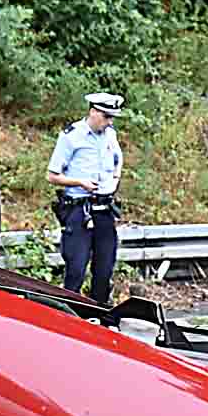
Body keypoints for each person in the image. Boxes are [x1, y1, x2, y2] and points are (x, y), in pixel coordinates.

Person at [50, 91, 126, 304]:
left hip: (104, 210)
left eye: (112, 118)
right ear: (93, 112)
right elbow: (52, 176)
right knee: (76, 269)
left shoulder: (110, 135)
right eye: (106, 117)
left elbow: (117, 161)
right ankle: (68, 318)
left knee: (104, 270)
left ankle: (99, 316)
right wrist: (80, 183)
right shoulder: (71, 136)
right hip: (79, 211)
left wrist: (114, 181)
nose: (109, 122)